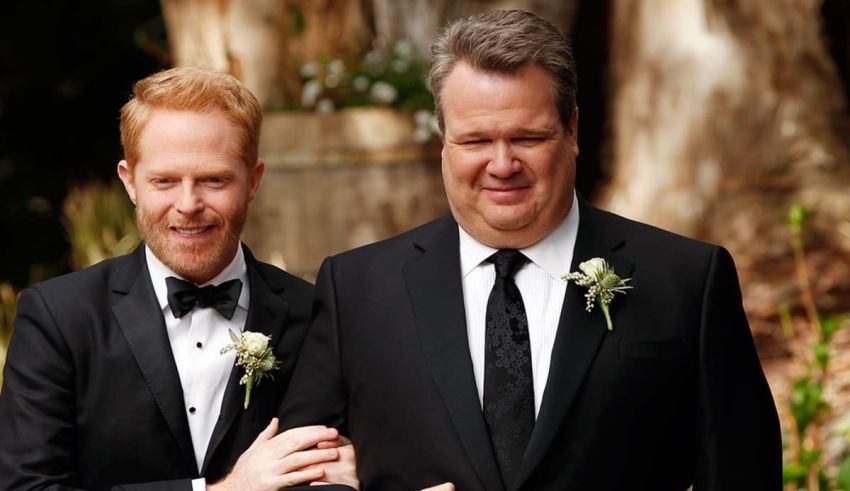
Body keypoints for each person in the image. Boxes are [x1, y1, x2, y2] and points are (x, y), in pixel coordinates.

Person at [279, 9, 782, 491]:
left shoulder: (687, 279)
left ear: (573, 132)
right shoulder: (357, 289)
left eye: (528, 136)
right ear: (444, 141)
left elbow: (742, 473)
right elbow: (300, 470)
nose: (502, 164)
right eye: (476, 140)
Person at [0, 67, 357, 491]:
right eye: (165, 181)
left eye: (214, 179)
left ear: (253, 182)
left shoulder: (316, 314)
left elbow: (329, 473)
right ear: (130, 182)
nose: (188, 204)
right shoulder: (59, 317)